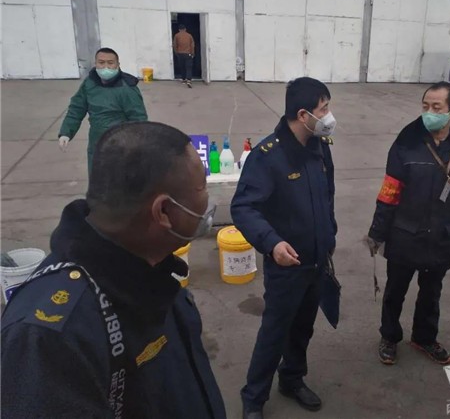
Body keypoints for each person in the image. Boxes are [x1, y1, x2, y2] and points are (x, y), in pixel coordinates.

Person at [2, 122, 225, 418]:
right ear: (163, 211)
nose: (208, 199)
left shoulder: (152, 273)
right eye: (202, 188)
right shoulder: (48, 341)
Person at [231, 77, 337, 419]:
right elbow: (244, 208)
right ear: (303, 114)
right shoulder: (268, 156)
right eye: (324, 109)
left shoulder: (320, 146)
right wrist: (272, 243)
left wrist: (329, 236)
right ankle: (253, 399)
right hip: (287, 265)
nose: (329, 115)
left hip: (317, 260)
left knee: (303, 328)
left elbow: (327, 195)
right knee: (275, 332)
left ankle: (291, 380)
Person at [367, 81, 450, 366]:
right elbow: (390, 191)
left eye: (436, 107)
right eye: (425, 106)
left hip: (442, 236)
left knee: (432, 293)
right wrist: (377, 231)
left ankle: (424, 338)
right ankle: (389, 337)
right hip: (405, 233)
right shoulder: (406, 142)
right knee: (395, 291)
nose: (429, 113)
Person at [58, 47, 148, 175]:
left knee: (119, 180)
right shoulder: (89, 84)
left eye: (110, 63)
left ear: (118, 64)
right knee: (97, 178)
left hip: (120, 145)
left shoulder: (127, 88)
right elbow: (76, 109)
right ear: (95, 64)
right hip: (96, 142)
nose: (106, 67)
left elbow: (139, 120)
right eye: (101, 62)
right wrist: (66, 132)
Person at [173, 24, 195, 88]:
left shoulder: (176, 35)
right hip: (188, 54)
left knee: (182, 67)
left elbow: (175, 45)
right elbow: (192, 45)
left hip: (180, 53)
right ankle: (189, 80)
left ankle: (183, 79)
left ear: (179, 30)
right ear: (185, 29)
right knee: (188, 67)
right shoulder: (189, 35)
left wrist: (176, 52)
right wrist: (192, 53)